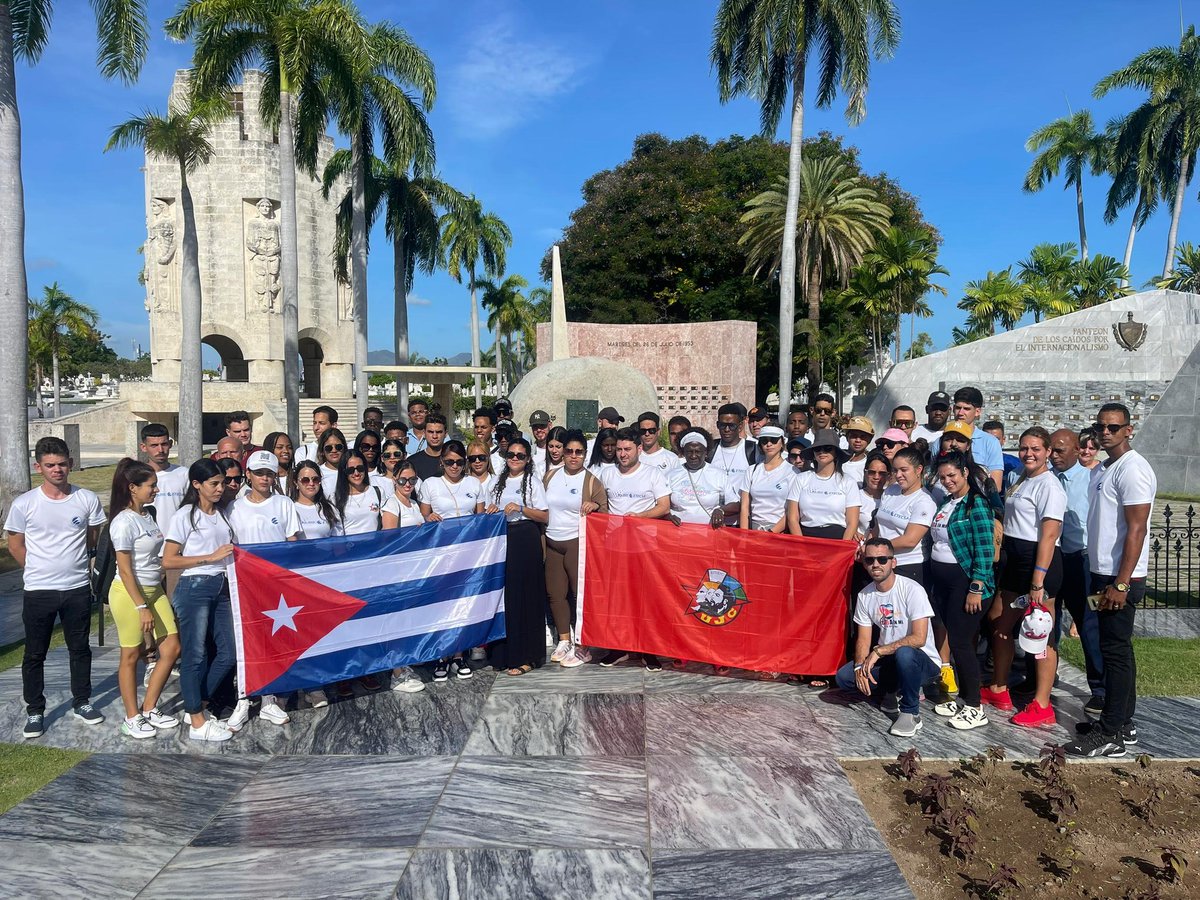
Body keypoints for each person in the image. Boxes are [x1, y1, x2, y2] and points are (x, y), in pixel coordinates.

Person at [1065, 403, 1155, 759]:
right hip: (1102, 573)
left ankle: (1112, 731)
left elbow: (1137, 528)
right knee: (1114, 650)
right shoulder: (1104, 468)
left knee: (1115, 653)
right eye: (1101, 426)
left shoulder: (1133, 469)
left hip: (1120, 578)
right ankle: (1123, 722)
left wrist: (1120, 583)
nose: (1105, 432)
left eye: (1113, 427)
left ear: (1128, 430)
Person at [5, 437, 107, 739]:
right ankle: (35, 709)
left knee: (80, 649)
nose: (57, 470)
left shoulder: (86, 499)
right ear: (39, 467)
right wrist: (37, 569)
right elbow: (15, 544)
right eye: (50, 465)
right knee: (35, 653)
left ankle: (82, 701)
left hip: (76, 588)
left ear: (71, 464)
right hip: (39, 590)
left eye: (62, 464)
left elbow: (93, 535)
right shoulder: (25, 504)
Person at [982, 427, 1066, 728]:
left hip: (1037, 563)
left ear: (1047, 452)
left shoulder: (1050, 486)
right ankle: (999, 688)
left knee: (1040, 632)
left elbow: (1049, 536)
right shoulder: (1022, 479)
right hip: (1014, 562)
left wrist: (1037, 581)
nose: (1028, 454)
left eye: (1035, 449)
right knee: (999, 622)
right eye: (1024, 448)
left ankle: (1042, 704)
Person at [225, 450, 302, 730]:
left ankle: (269, 701)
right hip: (245, 588)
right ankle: (244, 700)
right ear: (249, 474)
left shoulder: (284, 504)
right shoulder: (233, 508)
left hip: (277, 588)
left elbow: (293, 542)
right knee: (247, 644)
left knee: (272, 642)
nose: (264, 478)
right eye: (259, 473)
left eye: (269, 473)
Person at [834, 537, 942, 737]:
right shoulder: (865, 595)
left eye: (882, 559)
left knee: (905, 653)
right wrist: (859, 667)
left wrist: (879, 651)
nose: (876, 564)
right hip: (889, 659)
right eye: (870, 560)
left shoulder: (912, 590)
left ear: (894, 562)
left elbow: (919, 638)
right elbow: (863, 639)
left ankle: (911, 712)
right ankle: (892, 690)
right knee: (845, 678)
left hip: (922, 661)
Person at [162, 459, 237, 743]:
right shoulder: (185, 515)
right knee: (195, 655)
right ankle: (196, 722)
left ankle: (197, 705)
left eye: (223, 483)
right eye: (214, 484)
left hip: (222, 587)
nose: (221, 489)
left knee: (228, 652)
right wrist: (210, 557)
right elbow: (168, 560)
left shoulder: (222, 514)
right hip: (194, 586)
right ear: (197, 485)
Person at [107, 460, 181, 739]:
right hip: (129, 595)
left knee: (172, 648)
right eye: (151, 486)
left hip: (154, 590)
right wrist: (140, 607)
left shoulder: (147, 516)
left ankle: (149, 707)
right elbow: (125, 570)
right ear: (132, 488)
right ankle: (131, 716)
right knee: (130, 654)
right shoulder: (122, 522)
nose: (156, 490)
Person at [928, 451, 997, 731]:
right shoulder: (947, 502)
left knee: (961, 643)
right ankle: (965, 697)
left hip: (965, 582)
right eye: (943, 477)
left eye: (952, 476)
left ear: (965, 473)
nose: (947, 481)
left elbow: (984, 550)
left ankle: (974, 705)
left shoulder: (976, 505)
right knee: (957, 640)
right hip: (943, 582)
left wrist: (976, 587)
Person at [599, 426, 672, 670]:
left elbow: (664, 506)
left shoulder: (653, 474)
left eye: (627, 449)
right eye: (619, 449)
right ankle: (618, 648)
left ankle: (647, 650)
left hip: (645, 546)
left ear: (639, 449)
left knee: (645, 600)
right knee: (617, 599)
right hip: (615, 546)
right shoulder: (607, 474)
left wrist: (640, 516)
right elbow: (601, 505)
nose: (622, 454)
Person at [417, 439, 485, 682]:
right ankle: (442, 655)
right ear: (441, 462)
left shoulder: (474, 483)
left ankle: (458, 654)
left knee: (462, 604)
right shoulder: (430, 484)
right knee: (442, 605)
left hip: (467, 553)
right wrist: (428, 517)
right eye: (449, 462)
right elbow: (423, 515)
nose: (454, 466)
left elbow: (481, 518)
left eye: (458, 462)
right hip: (441, 553)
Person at [483, 437, 550, 676]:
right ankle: (503, 653)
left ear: (528, 459)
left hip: (525, 537)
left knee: (525, 596)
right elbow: (489, 510)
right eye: (511, 454)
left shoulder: (532, 481)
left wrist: (520, 508)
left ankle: (527, 656)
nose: (514, 459)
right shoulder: (495, 482)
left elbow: (544, 516)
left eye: (520, 455)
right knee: (504, 596)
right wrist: (492, 511)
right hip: (502, 538)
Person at [1049, 428, 1104, 717]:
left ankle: (1100, 689)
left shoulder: (1092, 480)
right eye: (1051, 450)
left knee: (1089, 624)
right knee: (1046, 621)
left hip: (1080, 560)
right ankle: (1043, 677)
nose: (1053, 456)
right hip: (1051, 558)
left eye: (1060, 451)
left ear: (1076, 450)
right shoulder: (1045, 478)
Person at [544, 430, 608, 667]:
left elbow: (605, 512)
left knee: (578, 595)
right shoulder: (550, 476)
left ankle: (584, 645)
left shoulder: (591, 480)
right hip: (552, 541)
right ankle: (564, 639)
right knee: (555, 594)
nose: (572, 456)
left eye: (578, 452)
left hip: (576, 541)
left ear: (584, 454)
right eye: (568, 451)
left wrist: (595, 505)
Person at [870, 446, 935, 585]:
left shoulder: (924, 501)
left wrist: (876, 549)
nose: (898, 475)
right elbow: (877, 526)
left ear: (918, 470)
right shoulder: (890, 490)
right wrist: (867, 544)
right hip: (882, 561)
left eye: (904, 470)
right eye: (895, 470)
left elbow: (910, 540)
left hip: (909, 565)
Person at [786, 428, 860, 540]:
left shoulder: (848, 482)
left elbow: (852, 522)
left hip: (837, 540)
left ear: (836, 452)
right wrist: (801, 545)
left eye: (827, 448)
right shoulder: (801, 479)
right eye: (817, 449)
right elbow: (792, 518)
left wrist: (841, 549)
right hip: (805, 537)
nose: (822, 452)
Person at [931, 387, 1004, 491]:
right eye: (957, 408)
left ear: (977, 411)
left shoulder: (990, 442)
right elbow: (932, 477)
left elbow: (996, 485)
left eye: (966, 409)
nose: (960, 413)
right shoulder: (939, 442)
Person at [669, 429, 740, 527]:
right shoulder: (671, 475)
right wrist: (668, 516)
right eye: (689, 451)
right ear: (683, 453)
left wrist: (720, 510)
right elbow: (661, 505)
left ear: (706, 452)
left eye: (698, 451)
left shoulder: (718, 475)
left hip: (709, 534)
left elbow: (736, 504)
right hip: (678, 533)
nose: (693, 456)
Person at [739, 425, 792, 532]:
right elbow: (745, 507)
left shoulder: (792, 471)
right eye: (764, 441)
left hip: (779, 532)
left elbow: (791, 511)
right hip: (754, 530)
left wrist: (771, 533)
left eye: (774, 440)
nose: (769, 444)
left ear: (782, 442)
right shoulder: (751, 470)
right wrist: (744, 535)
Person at [138, 423, 189, 535]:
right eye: (154, 445)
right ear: (143, 447)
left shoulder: (184, 474)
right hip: (148, 544)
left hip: (179, 544)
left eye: (164, 444)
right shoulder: (136, 477)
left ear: (170, 444)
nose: (160, 450)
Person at [334, 448, 385, 536]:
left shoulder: (378, 492)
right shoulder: (335, 498)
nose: (356, 473)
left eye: (360, 468)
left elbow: (387, 524)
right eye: (350, 470)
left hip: (375, 547)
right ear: (344, 471)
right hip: (350, 548)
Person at [291, 460, 342, 539]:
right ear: (296, 482)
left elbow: (339, 545)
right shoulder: (289, 509)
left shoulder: (330, 509)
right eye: (305, 480)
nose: (311, 483)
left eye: (315, 479)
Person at [709, 403, 755, 485]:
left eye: (732, 426)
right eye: (722, 425)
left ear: (740, 426)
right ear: (717, 425)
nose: (727, 430)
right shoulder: (709, 449)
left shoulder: (752, 449)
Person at [382, 460, 425, 530]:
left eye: (412, 480)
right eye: (402, 480)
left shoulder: (414, 503)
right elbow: (389, 538)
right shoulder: (392, 504)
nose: (407, 484)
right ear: (394, 480)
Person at [983, 420, 1022, 490]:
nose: (992, 443)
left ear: (1003, 440)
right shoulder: (972, 461)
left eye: (996, 439)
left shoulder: (1015, 464)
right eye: (987, 439)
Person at [410, 413, 448, 481]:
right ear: (424, 433)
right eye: (430, 432)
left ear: (445, 434)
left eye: (439, 432)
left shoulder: (455, 461)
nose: (434, 436)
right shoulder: (412, 462)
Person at [842, 416, 875, 486]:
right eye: (854, 436)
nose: (858, 440)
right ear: (847, 437)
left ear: (869, 440)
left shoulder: (871, 465)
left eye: (863, 437)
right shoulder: (836, 460)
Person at [316, 427, 348, 495]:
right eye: (328, 448)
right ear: (322, 451)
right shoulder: (317, 473)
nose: (334, 450)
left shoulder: (352, 470)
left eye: (338, 447)